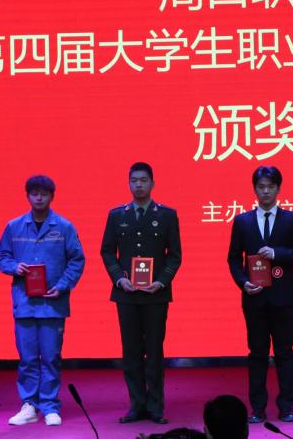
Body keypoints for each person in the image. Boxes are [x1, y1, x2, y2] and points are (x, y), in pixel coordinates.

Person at [0, 174, 85, 427]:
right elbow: (2, 257)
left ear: (52, 196)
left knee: (50, 357)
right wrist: (14, 267)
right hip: (24, 303)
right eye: (34, 193)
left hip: (52, 303)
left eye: (44, 194)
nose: (39, 198)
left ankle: (50, 406)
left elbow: (77, 259)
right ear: (27, 196)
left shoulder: (64, 227)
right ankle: (29, 405)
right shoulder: (14, 226)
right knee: (27, 359)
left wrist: (62, 286)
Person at [226, 165, 293, 424]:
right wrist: (243, 283)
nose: (265, 191)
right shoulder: (242, 221)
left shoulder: (292, 220)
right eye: (261, 187)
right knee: (257, 353)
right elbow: (233, 259)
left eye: (270, 187)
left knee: (285, 352)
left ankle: (286, 407)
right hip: (254, 297)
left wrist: (277, 253)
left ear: (278, 189)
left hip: (283, 298)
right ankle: (257, 409)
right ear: (254, 189)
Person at [100, 162, 182, 425]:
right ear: (128, 184)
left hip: (156, 294)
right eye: (134, 180)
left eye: (143, 180)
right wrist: (119, 278)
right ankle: (136, 405)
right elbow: (106, 251)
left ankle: (156, 407)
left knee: (154, 352)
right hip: (126, 294)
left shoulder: (167, 215)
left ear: (152, 183)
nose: (138, 185)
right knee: (131, 352)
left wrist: (161, 281)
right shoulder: (117, 215)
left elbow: (175, 256)